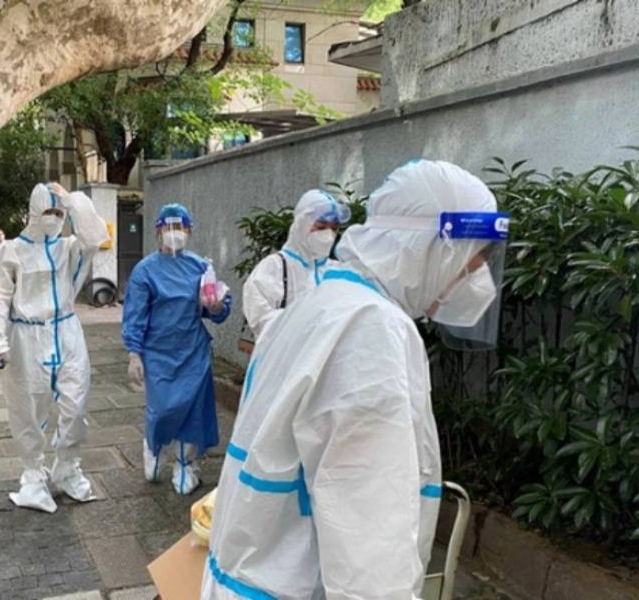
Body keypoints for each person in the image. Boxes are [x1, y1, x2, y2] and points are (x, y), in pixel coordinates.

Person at [203, 160, 509, 599]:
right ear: (425, 246)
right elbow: (369, 543)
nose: (473, 279)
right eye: (468, 262)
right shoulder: (371, 330)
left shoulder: (327, 301)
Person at [0, 181, 109, 513]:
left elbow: (95, 235)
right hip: (26, 337)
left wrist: (73, 200)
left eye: (58, 213)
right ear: (34, 212)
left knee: (75, 403)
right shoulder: (11, 251)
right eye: (48, 211)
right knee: (27, 408)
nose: (54, 217)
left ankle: (67, 467)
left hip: (66, 331)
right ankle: (34, 474)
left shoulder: (68, 248)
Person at [122, 204, 232, 496]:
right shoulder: (145, 271)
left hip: (192, 350)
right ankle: (154, 445)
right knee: (163, 409)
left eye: (180, 228)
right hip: (158, 352)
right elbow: (135, 313)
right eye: (169, 228)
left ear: (189, 231)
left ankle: (186, 463)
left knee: (192, 410)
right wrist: (134, 352)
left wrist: (218, 306)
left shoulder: (199, 267)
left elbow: (215, 310)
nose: (175, 234)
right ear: (158, 231)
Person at [242, 189, 351, 341]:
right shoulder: (275, 267)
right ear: (301, 224)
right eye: (321, 227)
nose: (328, 234)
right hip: (284, 361)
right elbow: (261, 319)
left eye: (334, 228)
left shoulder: (336, 270)